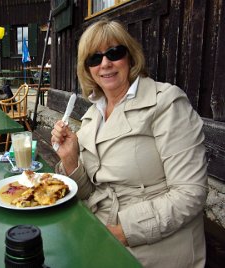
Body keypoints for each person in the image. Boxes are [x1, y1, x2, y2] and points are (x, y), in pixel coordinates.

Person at [51, 18, 208, 268]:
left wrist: (121, 233)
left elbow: (190, 193)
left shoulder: (166, 102)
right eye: (94, 58)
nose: (105, 63)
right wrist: (70, 159)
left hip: (153, 243)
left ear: (130, 56)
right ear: (87, 68)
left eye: (114, 52)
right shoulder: (93, 114)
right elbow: (93, 192)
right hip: (97, 228)